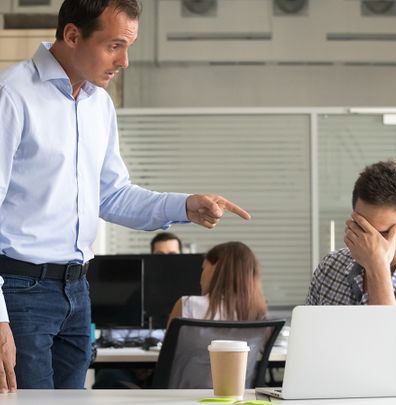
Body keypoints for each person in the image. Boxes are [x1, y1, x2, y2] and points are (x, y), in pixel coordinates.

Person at [0, 0, 250, 392]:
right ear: (72, 35)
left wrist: (184, 206)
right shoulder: (12, 95)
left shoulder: (98, 104)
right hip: (20, 289)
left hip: (77, 290)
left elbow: (113, 196)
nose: (125, 61)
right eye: (114, 45)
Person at [306, 160, 396, 388]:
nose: (369, 242)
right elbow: (307, 354)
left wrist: (377, 267)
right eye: (361, 227)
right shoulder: (330, 267)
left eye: (383, 233)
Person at [167, 241, 267, 325]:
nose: (201, 276)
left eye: (204, 268)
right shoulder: (259, 312)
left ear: (215, 270)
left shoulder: (188, 305)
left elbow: (168, 348)